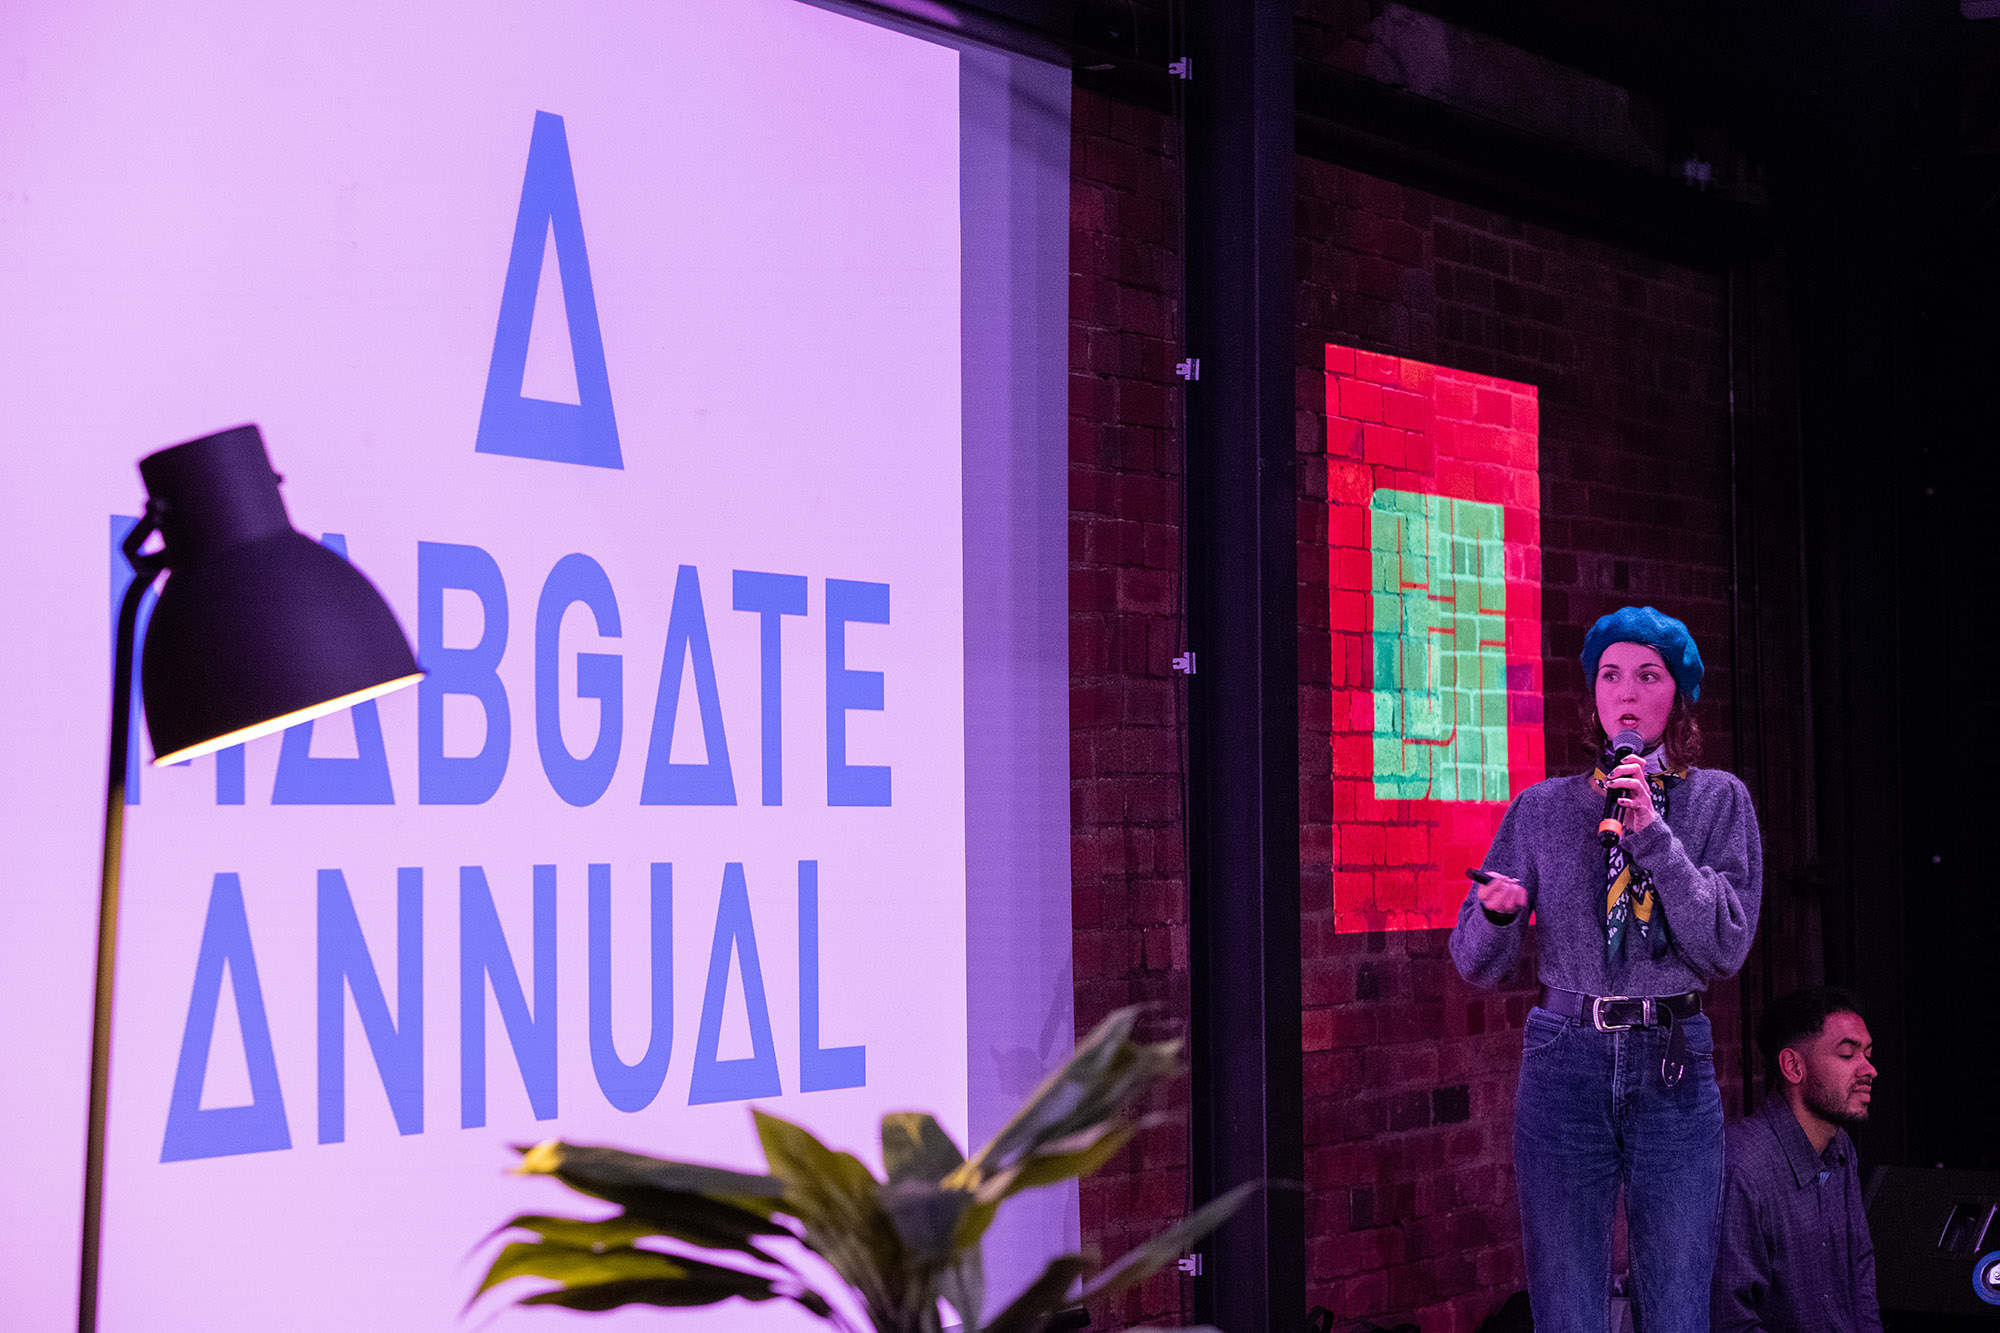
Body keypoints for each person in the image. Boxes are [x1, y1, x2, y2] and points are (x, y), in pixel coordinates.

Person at [1449, 605, 1763, 1333]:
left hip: (1672, 1062)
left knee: (1679, 1304)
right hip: (1566, 1059)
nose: (1625, 690)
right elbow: (1474, 961)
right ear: (1593, 695)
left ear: (1676, 696)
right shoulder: (1542, 809)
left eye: (1647, 675)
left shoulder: (1719, 800)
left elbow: (1725, 946)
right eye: (1610, 675)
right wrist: (1497, 914)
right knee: (1566, 1305)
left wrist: (1655, 837)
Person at [1711, 986, 1882, 1332]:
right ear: (1793, 1066)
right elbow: (1730, 1321)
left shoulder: (1840, 1147)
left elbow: (1860, 1276)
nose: (1870, 1070)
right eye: (1848, 1055)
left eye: (1868, 1053)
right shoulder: (1743, 1168)